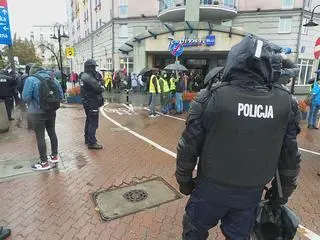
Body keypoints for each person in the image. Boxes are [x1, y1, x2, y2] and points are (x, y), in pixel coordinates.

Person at [175, 35, 301, 240]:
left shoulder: (211, 96)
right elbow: (290, 156)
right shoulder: (285, 102)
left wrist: (184, 180)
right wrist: (282, 193)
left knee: (194, 230)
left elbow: (188, 146)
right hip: (251, 193)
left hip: (210, 189)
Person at [22, 64, 64, 171]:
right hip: (51, 111)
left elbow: (25, 97)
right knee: (52, 133)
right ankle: (54, 156)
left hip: (37, 112)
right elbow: (61, 96)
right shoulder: (52, 78)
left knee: (40, 136)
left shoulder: (30, 79)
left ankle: (44, 162)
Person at [80, 59, 104, 150]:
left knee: (89, 120)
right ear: (89, 67)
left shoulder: (84, 75)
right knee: (93, 122)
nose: (95, 69)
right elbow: (97, 88)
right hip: (91, 102)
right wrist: (101, 87)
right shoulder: (88, 77)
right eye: (93, 67)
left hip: (87, 101)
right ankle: (92, 142)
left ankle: (87, 138)